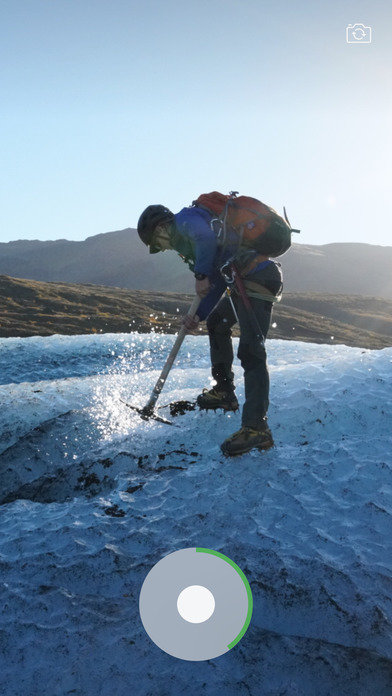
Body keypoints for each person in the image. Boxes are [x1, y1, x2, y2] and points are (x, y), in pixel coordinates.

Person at [137, 200, 283, 456]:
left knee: (251, 351)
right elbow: (216, 279)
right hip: (243, 279)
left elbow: (204, 241)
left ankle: (256, 428)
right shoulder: (188, 240)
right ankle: (225, 390)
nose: (160, 249)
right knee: (217, 322)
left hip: (258, 277)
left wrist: (200, 274)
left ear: (160, 228)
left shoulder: (185, 220)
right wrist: (199, 316)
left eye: (156, 243)